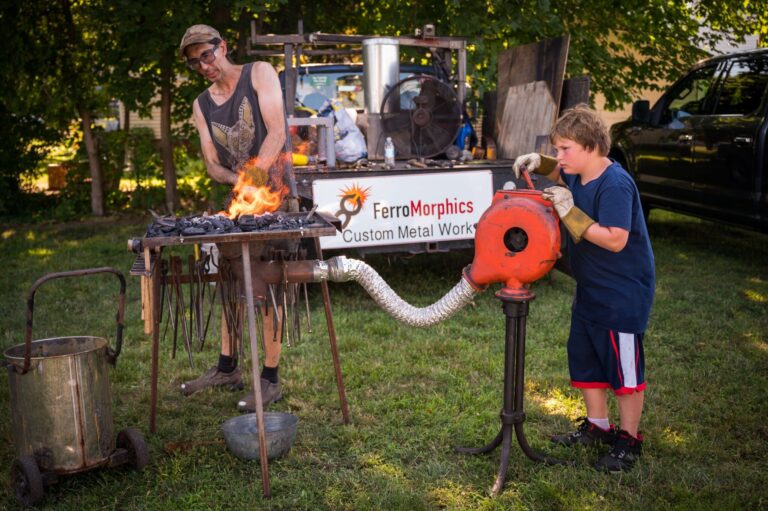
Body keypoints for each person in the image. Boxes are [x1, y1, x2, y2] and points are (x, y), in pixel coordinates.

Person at [512, 105, 655, 472]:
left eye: (564, 149)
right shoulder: (577, 171)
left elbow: (615, 239)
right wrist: (539, 162)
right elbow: (558, 168)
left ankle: (629, 439)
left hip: (622, 294)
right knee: (587, 357)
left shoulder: (615, 184)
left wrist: (569, 213)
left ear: (591, 147)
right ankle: (598, 426)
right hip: (591, 288)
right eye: (556, 149)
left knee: (624, 373)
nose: (559, 157)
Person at [178, 24, 298, 412]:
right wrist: (238, 183)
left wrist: (256, 179)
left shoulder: (259, 73)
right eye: (195, 62)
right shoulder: (201, 105)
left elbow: (277, 132)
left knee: (267, 291)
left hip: (275, 200)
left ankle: (270, 379)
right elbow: (213, 165)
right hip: (239, 208)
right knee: (229, 285)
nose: (203, 65)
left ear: (222, 47)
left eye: (207, 55)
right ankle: (227, 368)